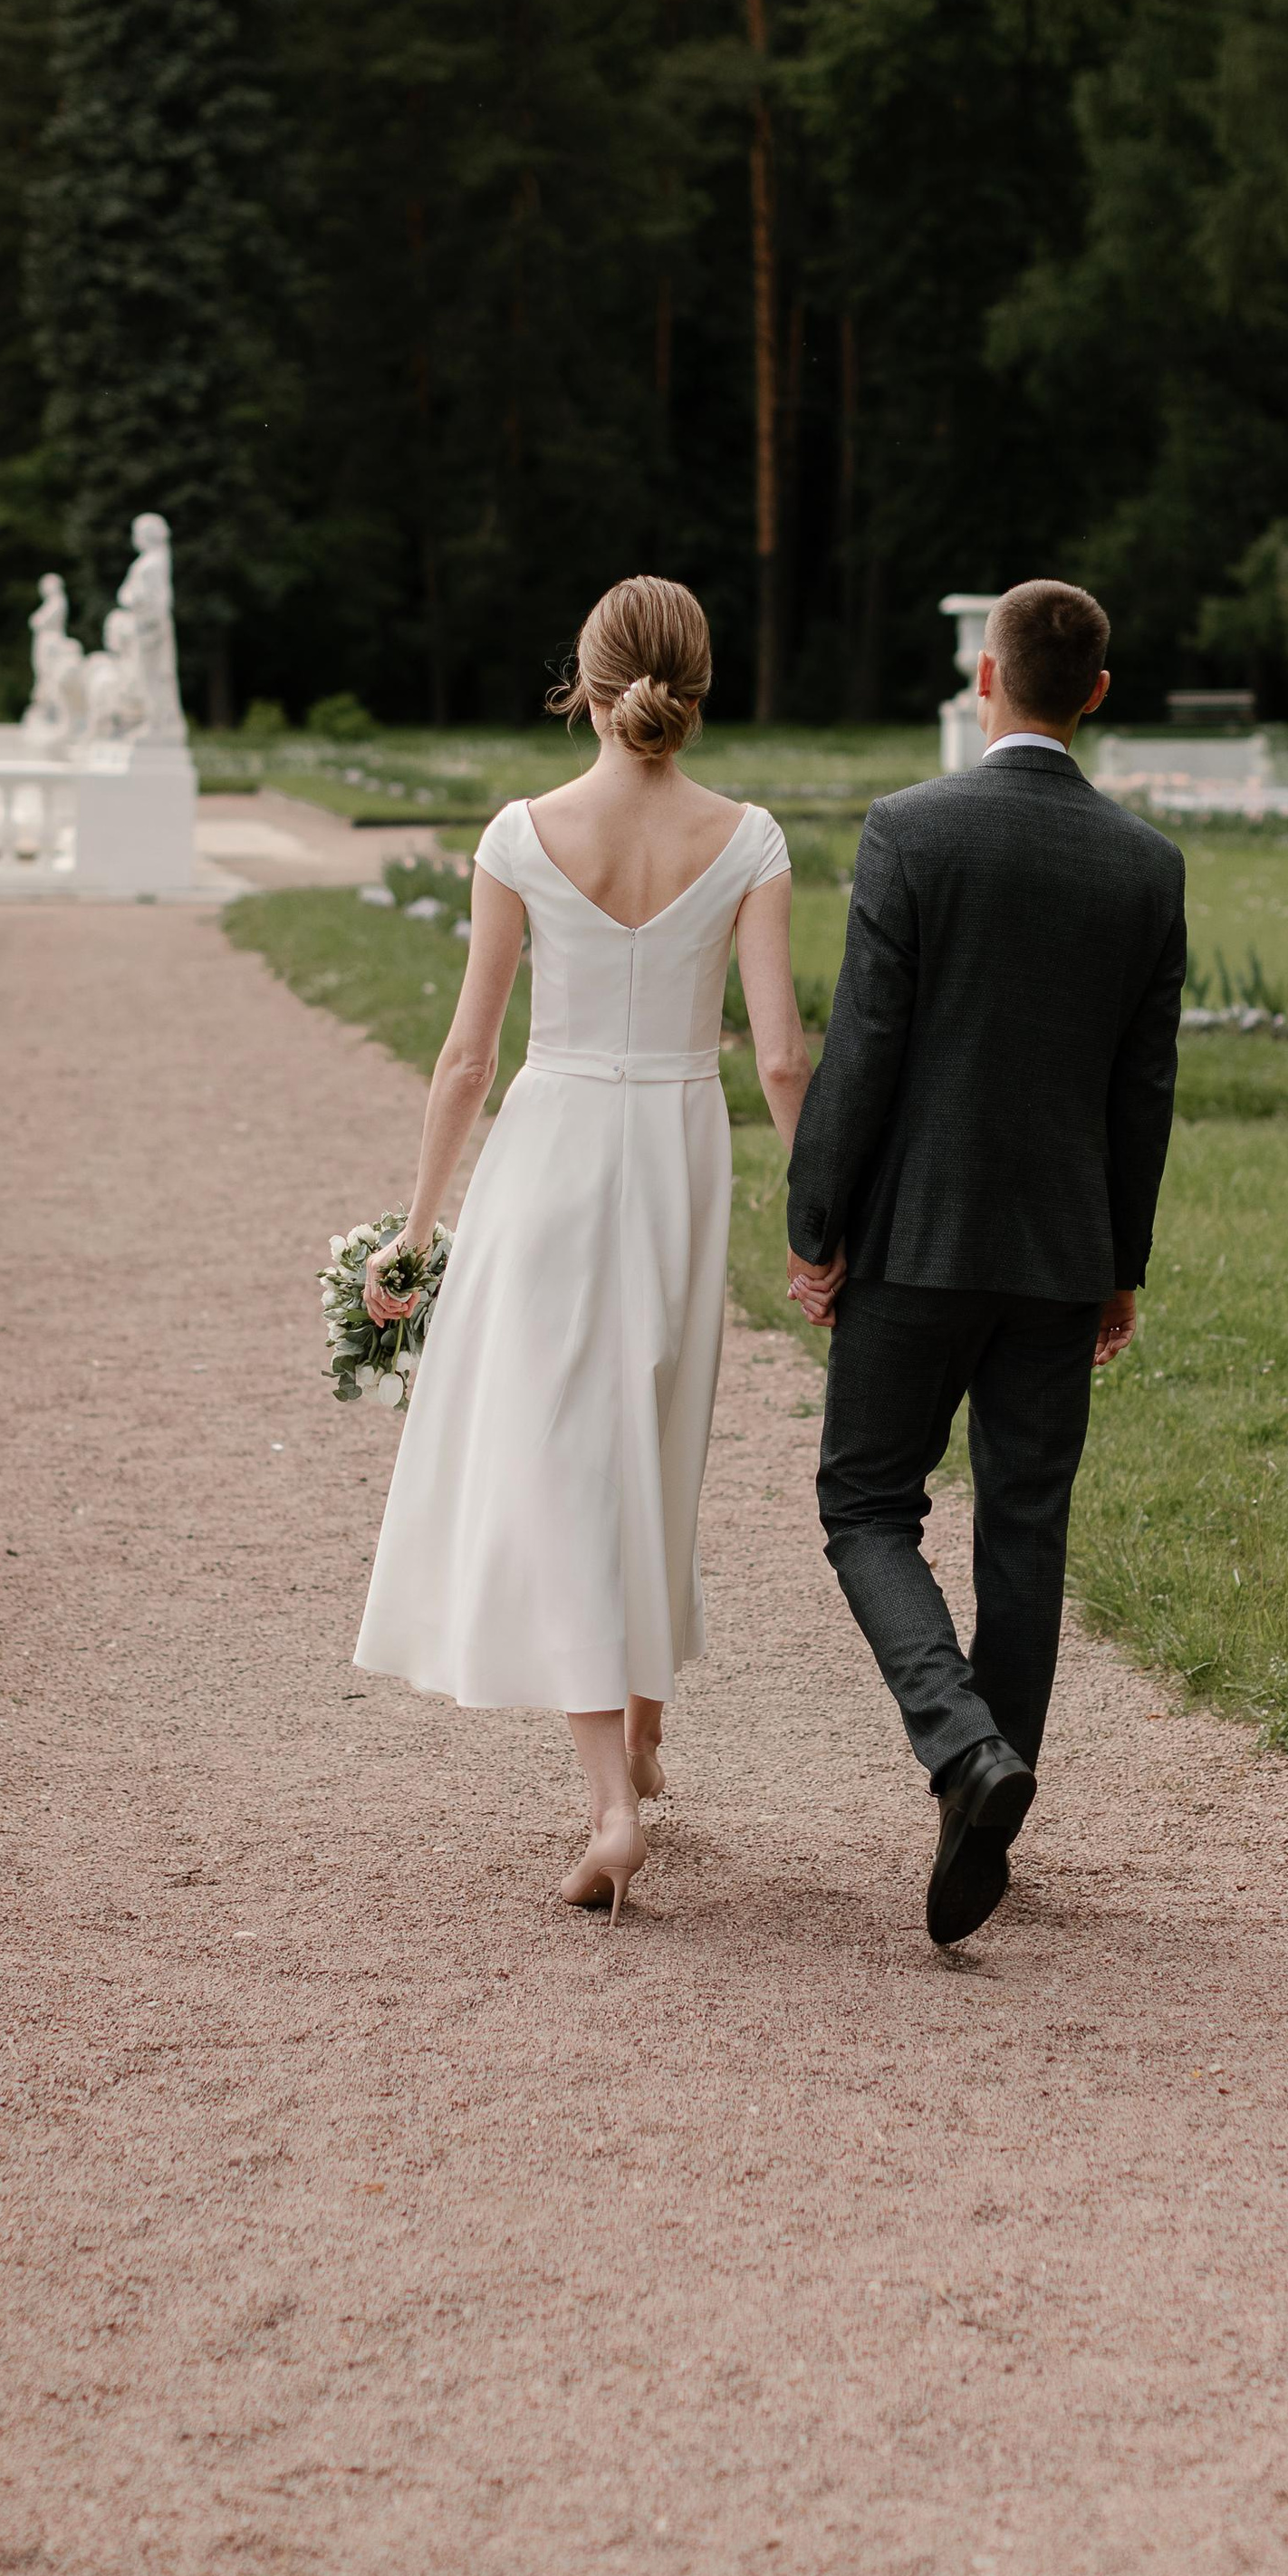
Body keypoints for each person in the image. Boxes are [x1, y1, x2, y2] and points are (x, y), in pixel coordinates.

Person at [354, 576, 811, 1922]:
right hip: (676, 1151)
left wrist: (418, 1228)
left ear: (588, 683)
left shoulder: (521, 831)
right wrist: (822, 1211)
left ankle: (615, 1799)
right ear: (701, 681)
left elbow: (464, 1060)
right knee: (657, 1430)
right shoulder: (751, 839)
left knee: (566, 1457)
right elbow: (780, 1054)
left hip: (551, 1151)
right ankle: (645, 1732)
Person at [784, 578, 1186, 1949]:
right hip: (1061, 1248)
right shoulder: (1147, 866)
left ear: (986, 680)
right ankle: (989, 1789)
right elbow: (1145, 1094)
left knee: (862, 1499)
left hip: (919, 1237)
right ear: (1097, 696)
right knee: (1027, 1523)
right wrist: (1119, 1264)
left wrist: (815, 1222)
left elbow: (867, 1049)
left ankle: (965, 1756)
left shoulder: (912, 831)